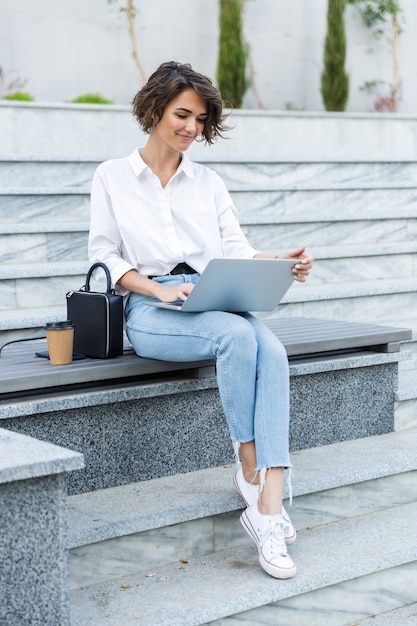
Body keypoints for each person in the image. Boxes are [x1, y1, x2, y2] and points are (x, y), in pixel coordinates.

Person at [88, 61, 313, 580]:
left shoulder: (207, 182)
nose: (190, 127)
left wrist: (280, 263)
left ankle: (268, 504)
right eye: (181, 114)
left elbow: (235, 248)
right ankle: (251, 469)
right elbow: (105, 255)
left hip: (211, 296)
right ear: (154, 110)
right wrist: (160, 289)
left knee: (272, 350)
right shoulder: (112, 177)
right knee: (239, 335)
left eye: (199, 118)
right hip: (149, 310)